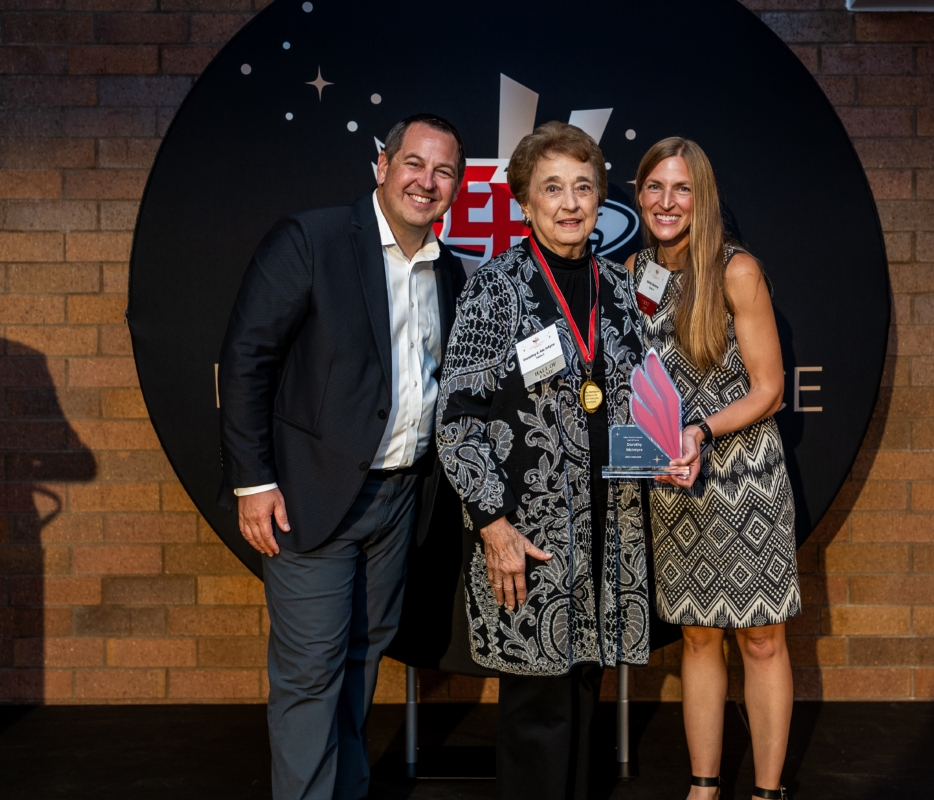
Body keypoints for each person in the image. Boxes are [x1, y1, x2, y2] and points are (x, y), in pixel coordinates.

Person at [217, 113, 468, 800]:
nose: (427, 181)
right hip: (309, 496)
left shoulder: (449, 271)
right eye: (414, 163)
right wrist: (254, 483)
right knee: (309, 672)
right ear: (381, 165)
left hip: (397, 503)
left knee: (362, 660)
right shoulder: (313, 239)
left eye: (444, 171)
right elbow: (246, 362)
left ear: (458, 187)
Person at [436, 121, 650, 800]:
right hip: (526, 536)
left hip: (607, 539)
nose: (570, 202)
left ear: (601, 200)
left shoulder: (620, 293)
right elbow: (458, 419)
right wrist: (491, 525)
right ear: (524, 203)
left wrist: (665, 453)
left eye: (584, 187)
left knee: (585, 697)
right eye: (552, 187)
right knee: (536, 709)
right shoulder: (494, 288)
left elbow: (641, 405)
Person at [625, 137, 802, 800]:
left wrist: (698, 429)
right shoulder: (635, 270)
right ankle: (704, 787)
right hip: (677, 485)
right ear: (639, 196)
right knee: (698, 636)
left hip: (745, 480)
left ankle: (766, 790)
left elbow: (769, 390)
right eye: (654, 188)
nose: (667, 203)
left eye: (682, 189)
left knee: (760, 637)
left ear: (703, 198)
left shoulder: (735, 270)